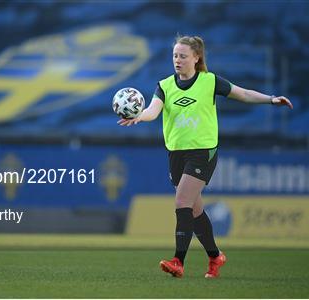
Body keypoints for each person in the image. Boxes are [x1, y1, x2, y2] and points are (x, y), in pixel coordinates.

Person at [118, 35, 293, 278]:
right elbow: (152, 111)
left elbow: (242, 93)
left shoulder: (210, 82)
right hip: (176, 154)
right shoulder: (165, 85)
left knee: (182, 203)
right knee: (195, 212)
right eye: (175, 56)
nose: (177, 60)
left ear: (196, 57)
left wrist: (271, 100)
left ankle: (178, 261)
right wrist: (139, 116)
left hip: (203, 152)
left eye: (182, 56)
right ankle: (215, 256)